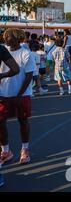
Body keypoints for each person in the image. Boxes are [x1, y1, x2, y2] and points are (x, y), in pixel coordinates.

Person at [0, 29, 33, 166]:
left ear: (16, 38)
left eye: (8, 36)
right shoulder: (3, 50)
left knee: (23, 122)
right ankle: (6, 151)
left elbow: (29, 75)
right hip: (3, 93)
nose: (5, 38)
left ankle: (25, 149)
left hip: (21, 94)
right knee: (0, 123)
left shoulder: (26, 53)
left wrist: (20, 94)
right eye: (5, 36)